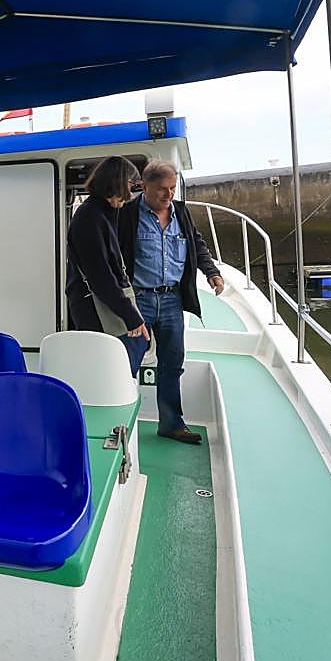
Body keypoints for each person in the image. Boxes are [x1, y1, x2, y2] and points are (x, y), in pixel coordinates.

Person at [118, 160, 225, 445]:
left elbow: (197, 245)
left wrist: (212, 273)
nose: (168, 195)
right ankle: (118, 427)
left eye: (172, 188)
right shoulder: (127, 215)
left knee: (172, 363)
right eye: (162, 189)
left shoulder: (182, 214)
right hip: (138, 300)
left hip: (171, 301)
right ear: (145, 186)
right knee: (127, 364)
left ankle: (171, 424)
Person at [66, 156, 150, 368]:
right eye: (132, 186)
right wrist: (130, 315)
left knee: (131, 350)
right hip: (94, 307)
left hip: (102, 302)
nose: (131, 194)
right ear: (117, 181)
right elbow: (99, 274)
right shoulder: (90, 217)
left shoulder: (102, 213)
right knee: (118, 361)